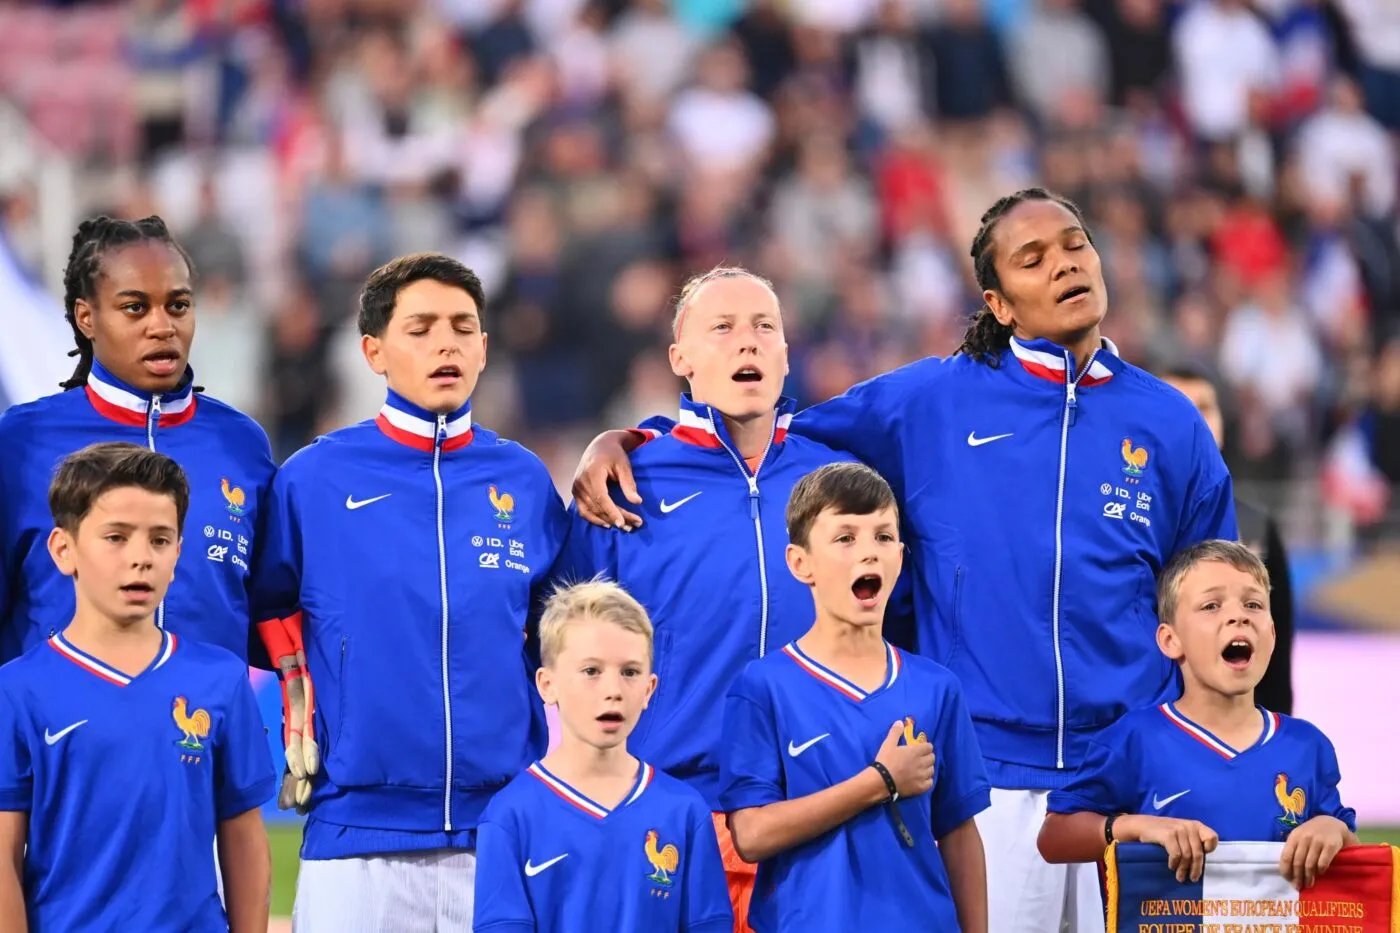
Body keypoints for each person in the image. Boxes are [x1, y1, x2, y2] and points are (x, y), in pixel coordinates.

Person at [572, 187, 1238, 933]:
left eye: (1075, 245)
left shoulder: (1171, 423)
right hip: (986, 782)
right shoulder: (931, 399)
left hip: (1128, 783)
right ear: (998, 302)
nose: (1064, 265)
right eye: (1033, 258)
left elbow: (1217, 603)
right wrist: (636, 438)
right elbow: (759, 434)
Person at [252, 253, 569, 932]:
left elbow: (560, 637)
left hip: (504, 834)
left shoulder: (524, 479)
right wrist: (300, 700)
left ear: (485, 348)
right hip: (355, 842)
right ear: (374, 351)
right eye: (420, 327)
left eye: (463, 326)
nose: (446, 342)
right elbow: (264, 608)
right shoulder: (313, 479)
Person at [554, 266, 858, 931]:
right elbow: (563, 653)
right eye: (720, 327)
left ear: (785, 354)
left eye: (764, 327)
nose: (745, 342)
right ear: (679, 358)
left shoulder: (839, 482)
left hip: (821, 812)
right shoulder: (621, 486)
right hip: (675, 814)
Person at [0, 442, 275, 932]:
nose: (141, 559)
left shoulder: (221, 679)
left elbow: (244, 838)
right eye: (116, 537)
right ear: (64, 550)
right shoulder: (17, 690)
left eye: (159, 540)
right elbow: (3, 856)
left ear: (179, 553)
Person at [720, 462, 989, 931]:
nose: (868, 552)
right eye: (845, 538)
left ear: (901, 558)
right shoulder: (762, 686)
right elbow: (751, 834)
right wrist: (879, 781)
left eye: (883, 537)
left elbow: (959, 830)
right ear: (799, 563)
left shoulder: (935, 687)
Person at [0, 216, 276, 663]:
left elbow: (269, 615)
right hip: (59, 730)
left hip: (204, 728)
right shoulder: (20, 442)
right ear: (86, 317)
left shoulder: (241, 444)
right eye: (135, 307)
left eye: (178, 305)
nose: (162, 326)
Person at [1037, 540, 1356, 890]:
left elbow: (1351, 851)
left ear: (1272, 634)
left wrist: (1333, 829)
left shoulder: (1307, 745)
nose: (1238, 616)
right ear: (1170, 640)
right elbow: (1054, 838)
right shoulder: (1134, 739)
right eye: (1211, 605)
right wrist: (1136, 827)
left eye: (1253, 604)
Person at [473, 580, 734, 933]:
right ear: (547, 684)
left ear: (649, 689)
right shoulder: (510, 817)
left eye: (629, 672)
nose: (613, 691)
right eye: (591, 671)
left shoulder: (686, 811)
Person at [1157, 365, 1295, 714]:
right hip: (1150, 724)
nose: (1195, 419)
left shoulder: (1256, 525)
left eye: (1204, 407)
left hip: (1236, 728)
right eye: (1179, 406)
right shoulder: (1126, 517)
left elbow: (1277, 652)